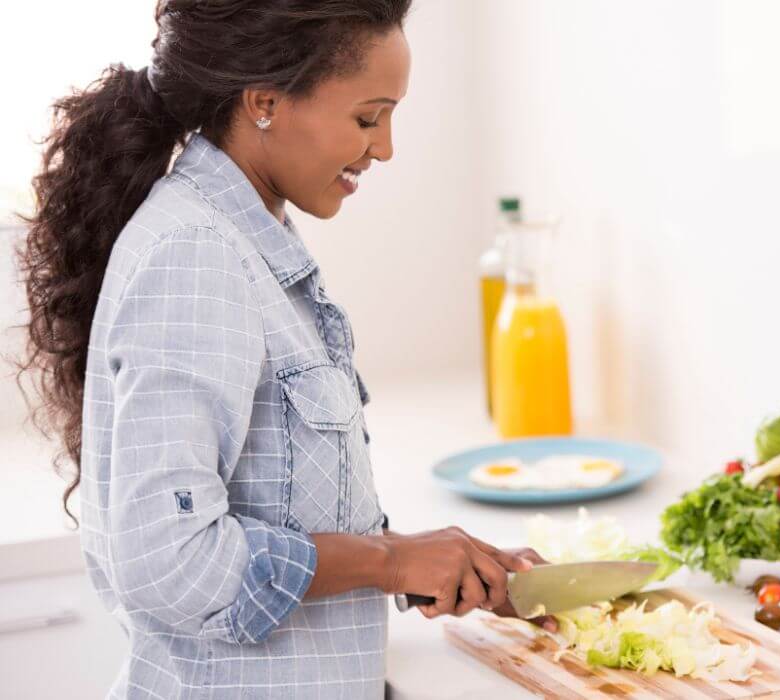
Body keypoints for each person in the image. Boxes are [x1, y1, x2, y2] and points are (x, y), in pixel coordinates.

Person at [17, 2, 551, 697]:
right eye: (368, 117)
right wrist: (388, 560)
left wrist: (436, 566)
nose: (385, 147)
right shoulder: (197, 255)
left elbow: (284, 512)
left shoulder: (247, 237)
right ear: (264, 102)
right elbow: (171, 564)